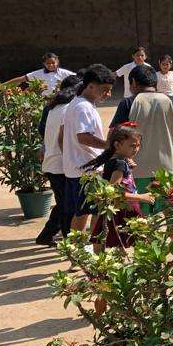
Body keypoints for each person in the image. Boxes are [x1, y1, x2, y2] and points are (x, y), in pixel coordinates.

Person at [62, 65, 116, 232]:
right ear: (91, 86)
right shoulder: (83, 107)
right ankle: (79, 244)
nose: (108, 94)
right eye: (105, 90)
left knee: (87, 211)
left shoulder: (80, 104)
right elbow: (83, 137)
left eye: (110, 90)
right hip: (85, 170)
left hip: (80, 168)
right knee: (84, 212)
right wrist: (108, 145)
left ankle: (84, 243)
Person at [82, 124, 155, 247]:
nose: (136, 149)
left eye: (138, 145)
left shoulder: (117, 161)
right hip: (123, 209)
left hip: (117, 209)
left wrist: (128, 169)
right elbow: (114, 192)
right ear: (117, 145)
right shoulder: (119, 164)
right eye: (132, 146)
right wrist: (142, 197)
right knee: (137, 243)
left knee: (107, 241)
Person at [34, 74, 83, 244]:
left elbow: (44, 132)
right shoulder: (70, 108)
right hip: (61, 164)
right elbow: (64, 140)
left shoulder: (54, 107)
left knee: (64, 203)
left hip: (54, 163)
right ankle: (66, 239)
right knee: (67, 205)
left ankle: (48, 235)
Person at [127, 64, 173, 196]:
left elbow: (114, 137)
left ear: (133, 82)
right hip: (169, 169)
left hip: (138, 170)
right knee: (169, 207)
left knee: (141, 208)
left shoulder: (128, 103)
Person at [6, 53, 75, 95]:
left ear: (57, 62)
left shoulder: (64, 73)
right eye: (48, 63)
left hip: (60, 101)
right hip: (43, 102)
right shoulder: (38, 73)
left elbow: (78, 78)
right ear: (44, 64)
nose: (51, 65)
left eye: (53, 63)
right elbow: (22, 79)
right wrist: (4, 85)